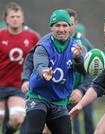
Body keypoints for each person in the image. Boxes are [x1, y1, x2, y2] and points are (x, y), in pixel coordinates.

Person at [20, 9, 85, 134]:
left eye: (64, 25)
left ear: (70, 26)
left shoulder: (76, 47)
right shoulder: (43, 46)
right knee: (33, 129)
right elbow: (39, 65)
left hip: (59, 101)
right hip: (38, 97)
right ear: (51, 27)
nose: (61, 29)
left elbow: (82, 71)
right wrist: (44, 72)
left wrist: (78, 58)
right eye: (57, 25)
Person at [0, 2, 40, 134]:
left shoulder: (32, 37)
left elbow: (40, 58)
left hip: (18, 86)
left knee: (17, 119)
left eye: (18, 16)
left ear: (22, 19)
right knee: (0, 116)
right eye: (12, 16)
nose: (15, 19)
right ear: (5, 19)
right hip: (0, 84)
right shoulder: (1, 36)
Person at [66, 8, 95, 134]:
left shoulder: (85, 43)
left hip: (83, 91)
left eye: (70, 24)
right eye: (65, 24)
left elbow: (93, 71)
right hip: (62, 93)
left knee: (88, 119)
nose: (67, 28)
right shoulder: (53, 42)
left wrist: (82, 89)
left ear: (76, 24)